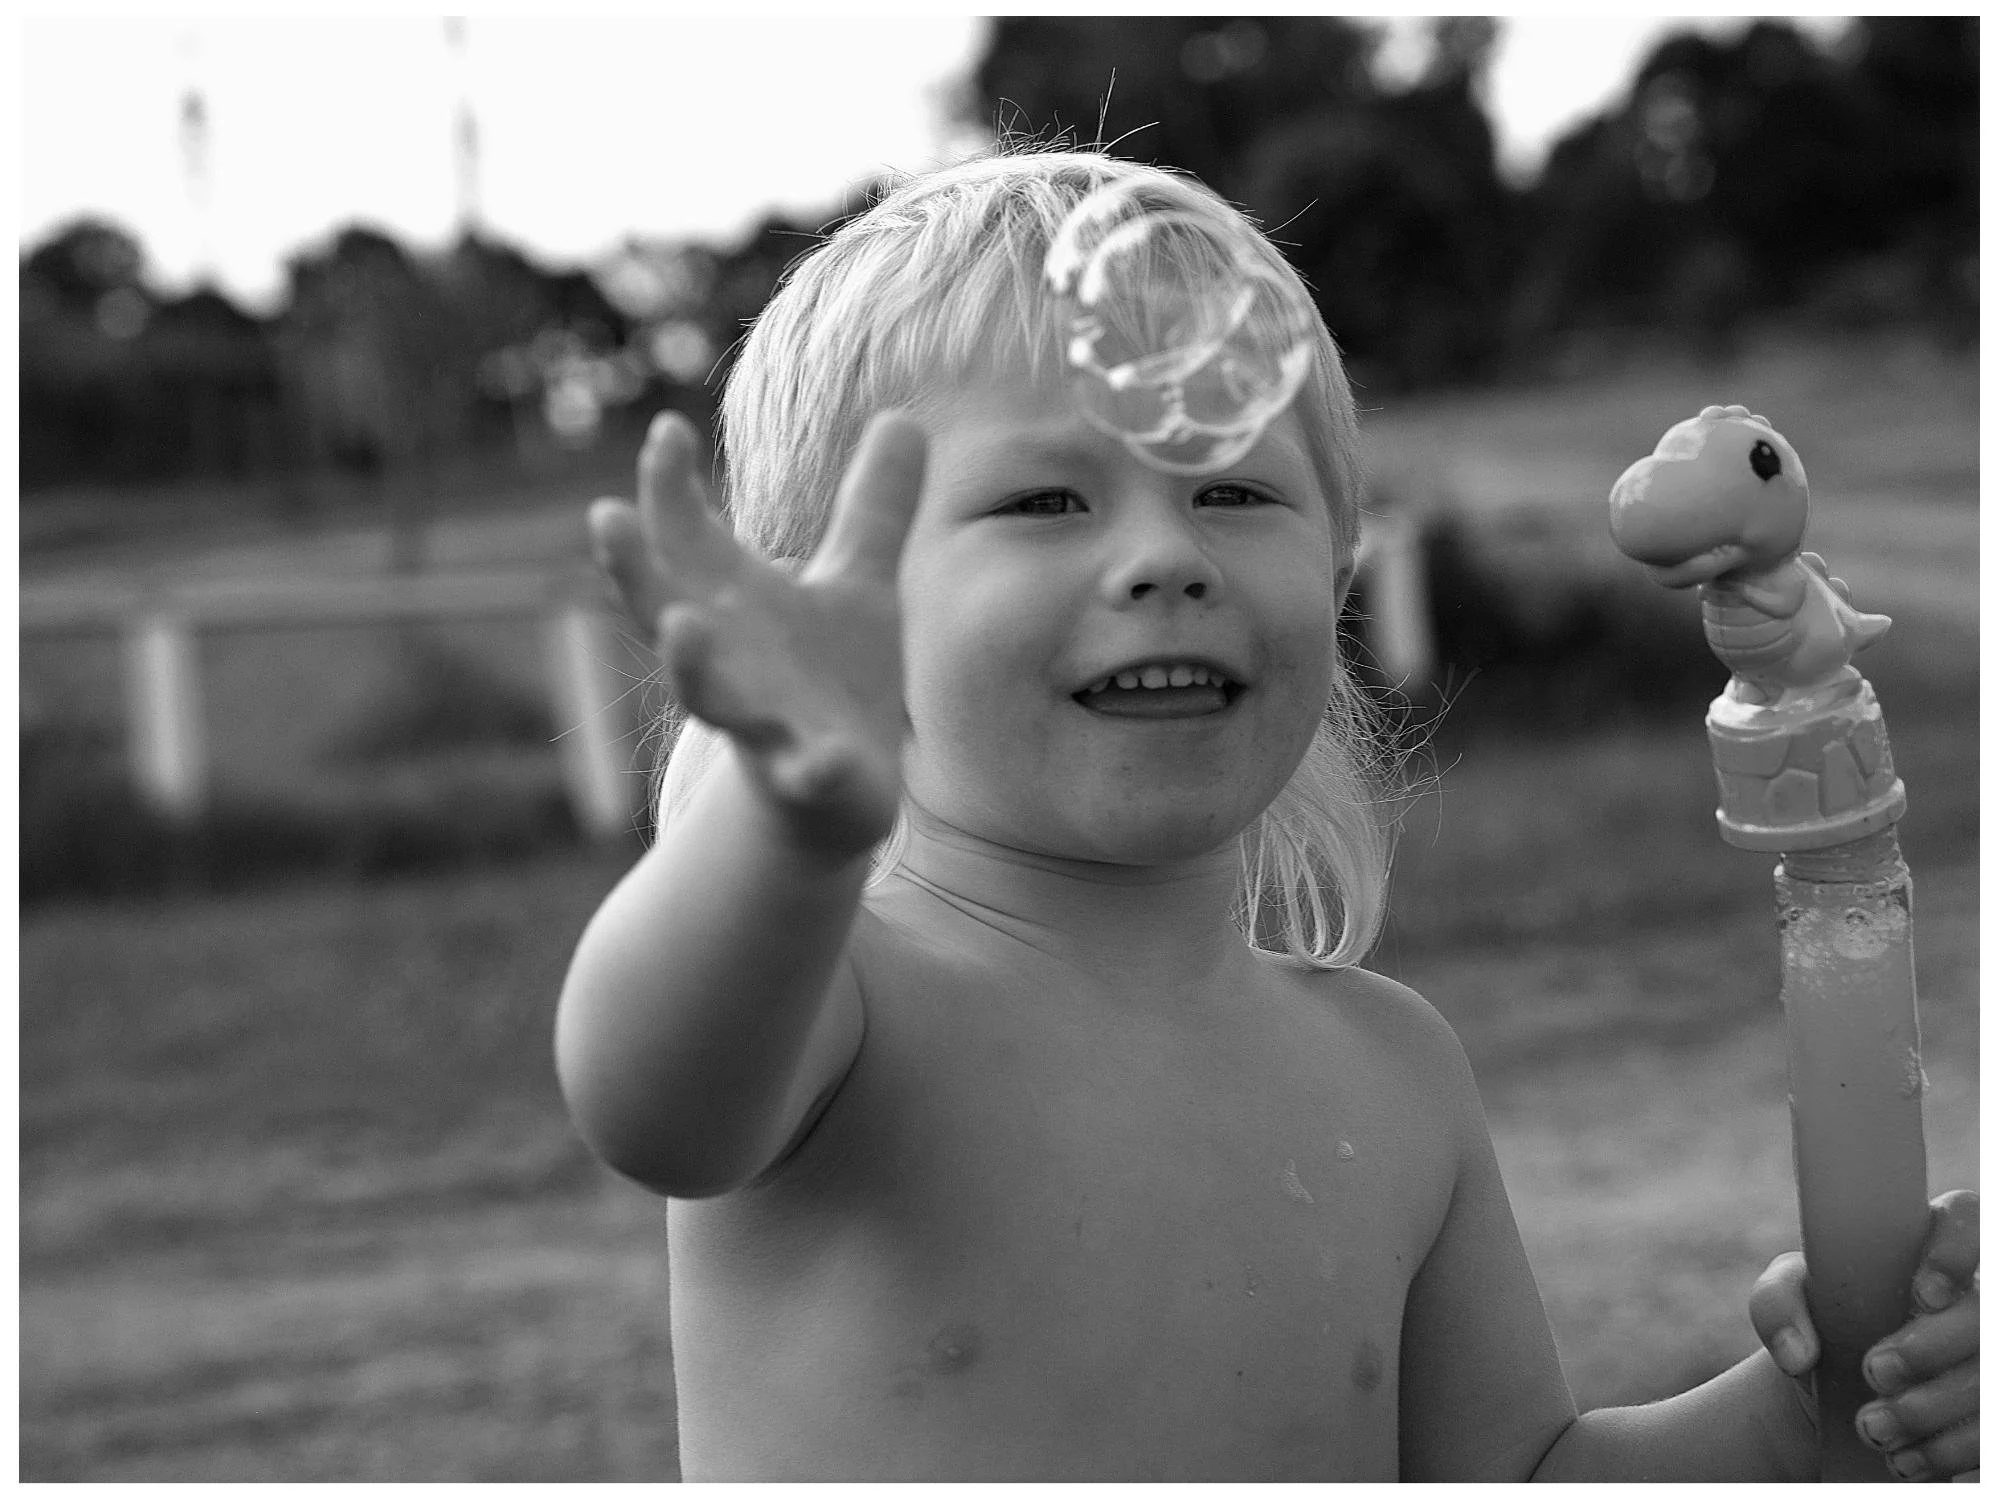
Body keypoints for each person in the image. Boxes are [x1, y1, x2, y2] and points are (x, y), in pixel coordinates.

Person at [554, 148, 1979, 1481]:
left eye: (1234, 488)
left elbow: (1521, 1478)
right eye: (1047, 498)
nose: (1166, 554)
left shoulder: (1390, 1071)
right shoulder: (839, 1002)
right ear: (840, 600)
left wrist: (1816, 1412)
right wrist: (782, 828)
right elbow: (650, 1099)